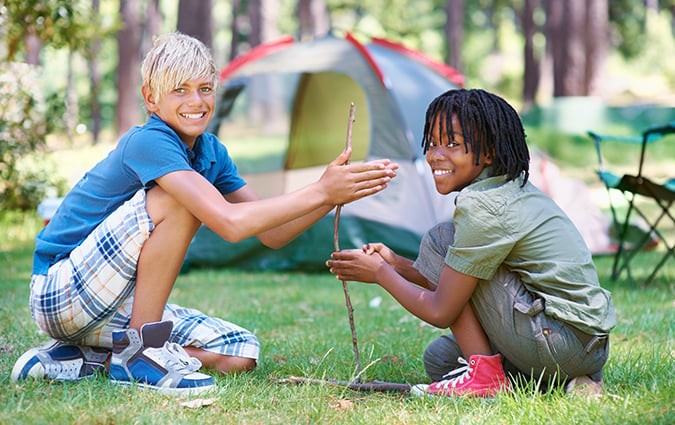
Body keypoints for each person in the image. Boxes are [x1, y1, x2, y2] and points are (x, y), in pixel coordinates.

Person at [11, 32, 398, 396]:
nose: (195, 101)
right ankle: (139, 353)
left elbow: (272, 234)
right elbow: (229, 223)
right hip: (60, 292)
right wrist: (320, 189)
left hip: (114, 303)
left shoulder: (211, 151)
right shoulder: (150, 141)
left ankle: (89, 359)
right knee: (178, 198)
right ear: (151, 98)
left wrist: (331, 195)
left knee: (240, 353)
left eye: (205, 89)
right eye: (179, 90)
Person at [326, 88, 616, 398]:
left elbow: (441, 310)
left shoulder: (485, 207)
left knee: (441, 240)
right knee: (441, 360)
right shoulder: (508, 187)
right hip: (583, 345)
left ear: (489, 152)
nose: (436, 154)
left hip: (560, 338)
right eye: (433, 142)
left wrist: (381, 275)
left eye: (452, 143)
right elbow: (457, 282)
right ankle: (568, 382)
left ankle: (487, 378)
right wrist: (397, 264)